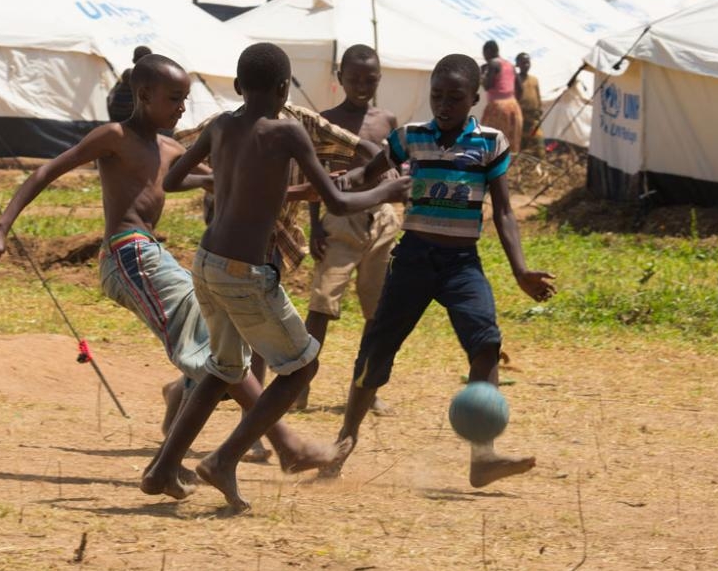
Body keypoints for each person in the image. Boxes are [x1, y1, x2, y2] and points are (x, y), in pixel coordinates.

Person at [0, 53, 342, 481]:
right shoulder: (113, 136)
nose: (181, 108)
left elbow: (231, 182)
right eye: (173, 98)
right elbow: (47, 171)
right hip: (128, 253)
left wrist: (305, 192)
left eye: (185, 99)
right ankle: (284, 443)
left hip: (151, 253)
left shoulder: (171, 148)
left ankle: (179, 420)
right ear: (143, 94)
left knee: (218, 344)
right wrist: (2, 226)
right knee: (211, 347)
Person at [140, 43, 410, 511]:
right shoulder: (288, 132)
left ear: (240, 87)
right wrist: (391, 188)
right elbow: (338, 203)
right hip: (246, 272)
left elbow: (170, 179)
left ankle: (163, 467)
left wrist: (221, 181)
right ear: (285, 89)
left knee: (223, 369)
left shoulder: (222, 125)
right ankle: (224, 458)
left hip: (207, 263)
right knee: (302, 367)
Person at [319, 53, 556, 487]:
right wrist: (342, 182)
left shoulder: (490, 143)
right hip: (413, 259)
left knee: (485, 345)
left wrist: (520, 271)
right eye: (437, 95)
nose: (444, 104)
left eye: (455, 97)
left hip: (461, 264)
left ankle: (482, 458)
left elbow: (502, 212)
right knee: (376, 349)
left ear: (474, 98)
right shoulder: (408, 137)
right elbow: (368, 177)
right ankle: (344, 441)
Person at [299, 44, 401, 413]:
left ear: (378, 79)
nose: (362, 85)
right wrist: (314, 226)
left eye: (369, 79)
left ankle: (367, 388)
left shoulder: (386, 119)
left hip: (382, 219)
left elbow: (399, 163)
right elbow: (313, 175)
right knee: (322, 305)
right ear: (340, 78)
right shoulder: (325, 120)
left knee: (378, 312)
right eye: (354, 79)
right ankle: (299, 386)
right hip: (340, 221)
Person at [481, 40, 523, 157]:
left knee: (492, 142)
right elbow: (520, 88)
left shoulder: (493, 63)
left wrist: (483, 76)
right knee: (511, 142)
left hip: (498, 107)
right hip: (513, 105)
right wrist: (512, 101)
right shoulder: (510, 64)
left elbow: (487, 85)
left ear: (488, 51)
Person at [106, 45, 153, 122]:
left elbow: (109, 97)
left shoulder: (127, 73)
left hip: (115, 115)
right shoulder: (143, 77)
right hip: (128, 118)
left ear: (134, 60)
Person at [515, 52, 546, 160]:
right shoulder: (515, 80)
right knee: (522, 146)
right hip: (521, 118)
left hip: (534, 118)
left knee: (539, 144)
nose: (526, 65)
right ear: (517, 65)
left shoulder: (534, 79)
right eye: (523, 63)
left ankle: (541, 165)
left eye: (528, 62)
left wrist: (539, 109)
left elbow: (538, 96)